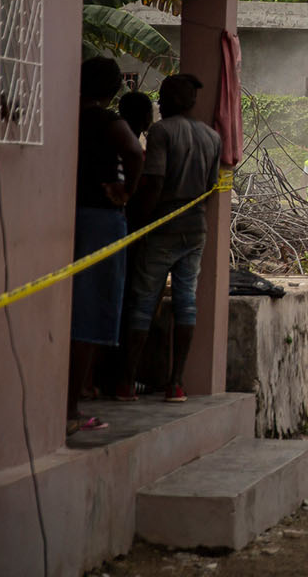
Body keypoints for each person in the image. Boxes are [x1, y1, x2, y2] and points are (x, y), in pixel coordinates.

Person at [118, 73, 221, 404]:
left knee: (143, 302)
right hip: (195, 228)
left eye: (161, 98)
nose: (158, 104)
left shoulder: (162, 132)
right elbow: (208, 189)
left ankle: (127, 383)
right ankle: (175, 384)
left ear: (170, 100)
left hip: (162, 227)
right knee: (186, 302)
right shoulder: (211, 137)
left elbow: (155, 183)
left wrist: (139, 224)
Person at [69, 58, 143, 435]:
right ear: (114, 89)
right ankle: (70, 409)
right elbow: (134, 152)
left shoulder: (65, 113)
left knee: (72, 306)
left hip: (68, 214)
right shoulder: (107, 121)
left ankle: (75, 393)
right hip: (100, 218)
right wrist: (128, 191)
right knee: (92, 308)